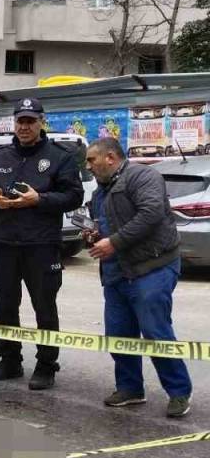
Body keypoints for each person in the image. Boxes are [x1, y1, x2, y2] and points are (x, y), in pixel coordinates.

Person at [0, 98, 85, 390]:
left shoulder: (60, 157)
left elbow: (74, 196)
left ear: (41, 122)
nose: (24, 126)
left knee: (44, 307)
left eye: (30, 121)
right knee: (5, 306)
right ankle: (9, 361)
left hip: (41, 245)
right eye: (20, 121)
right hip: (5, 243)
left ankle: (46, 365)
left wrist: (41, 199)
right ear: (15, 123)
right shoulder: (0, 156)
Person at [83, 137, 191, 418]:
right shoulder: (99, 193)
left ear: (110, 157)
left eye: (91, 159)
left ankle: (179, 392)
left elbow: (151, 214)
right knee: (118, 334)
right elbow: (104, 227)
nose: (88, 166)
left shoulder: (143, 176)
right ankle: (130, 388)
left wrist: (114, 242)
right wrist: (94, 237)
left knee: (155, 332)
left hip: (152, 267)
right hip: (117, 273)